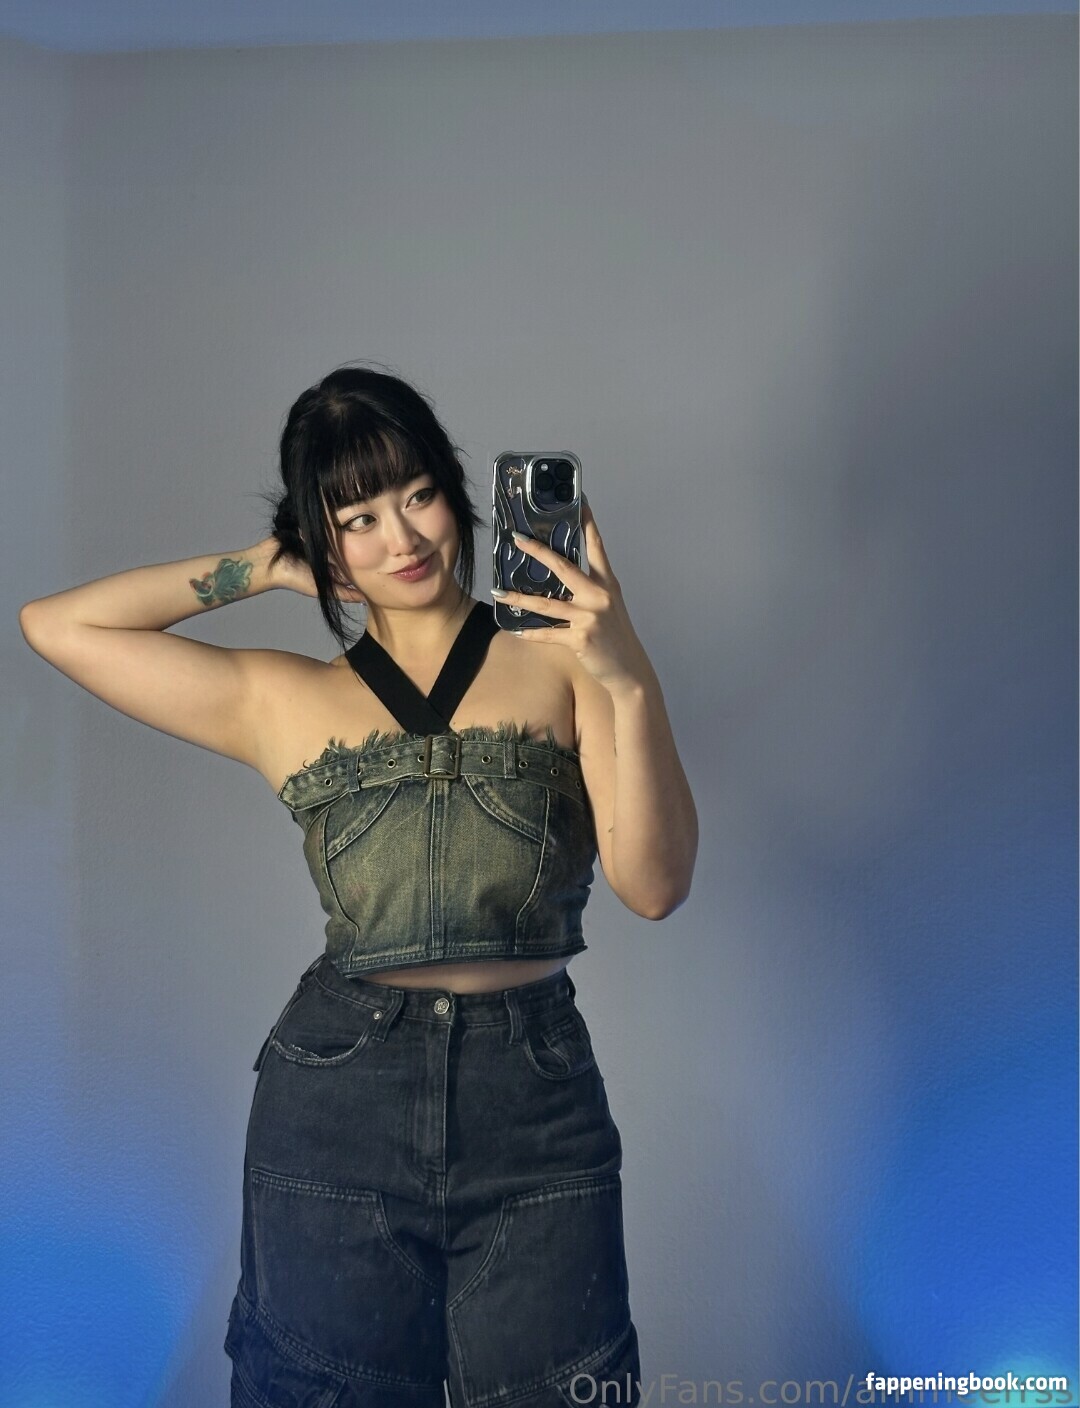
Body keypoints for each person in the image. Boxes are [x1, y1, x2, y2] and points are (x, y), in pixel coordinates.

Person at [19, 365, 698, 1407]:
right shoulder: (281, 699)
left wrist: (626, 669)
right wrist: (266, 566)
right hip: (337, 1101)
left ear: (456, 490)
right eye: (358, 518)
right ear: (321, 539)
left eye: (418, 494)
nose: (403, 538)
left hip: (535, 1104)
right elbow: (56, 626)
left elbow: (655, 884)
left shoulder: (567, 662)